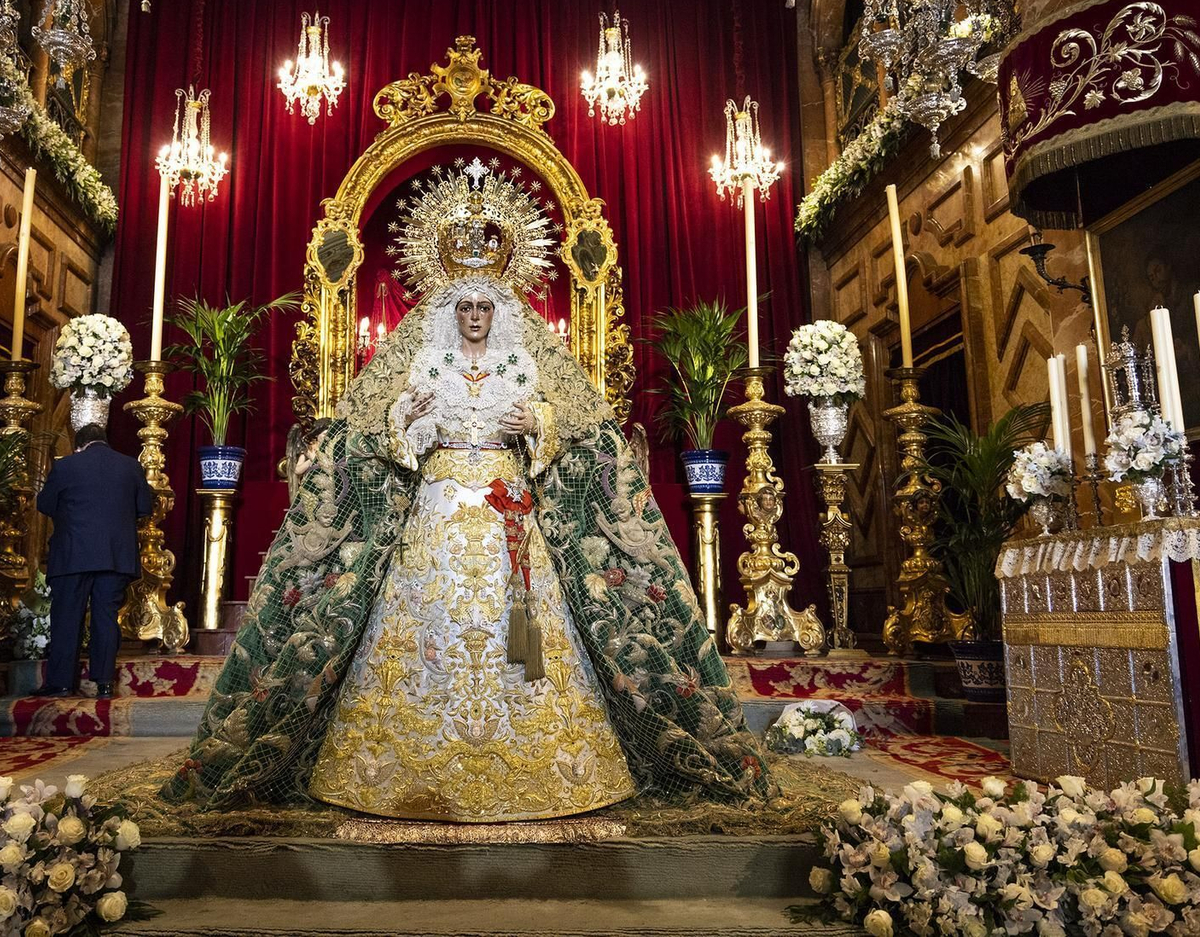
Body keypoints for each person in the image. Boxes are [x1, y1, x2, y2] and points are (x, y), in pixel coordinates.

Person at [161, 162, 772, 821]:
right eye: (467, 307)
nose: (476, 316)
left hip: (509, 509)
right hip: (438, 510)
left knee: (527, 624)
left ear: (499, 311)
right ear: (450, 311)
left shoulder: (524, 362)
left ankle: (550, 758)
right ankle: (401, 761)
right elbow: (390, 433)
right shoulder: (425, 361)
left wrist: (536, 422)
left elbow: (557, 427)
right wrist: (410, 419)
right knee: (426, 627)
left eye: (485, 307)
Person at [34, 423, 153, 699]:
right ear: (104, 442)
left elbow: (44, 504)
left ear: (79, 446)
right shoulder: (131, 466)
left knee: (67, 617)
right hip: (115, 555)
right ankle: (104, 684)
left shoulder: (66, 467)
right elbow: (144, 508)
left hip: (72, 554)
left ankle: (62, 684)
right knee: (106, 617)